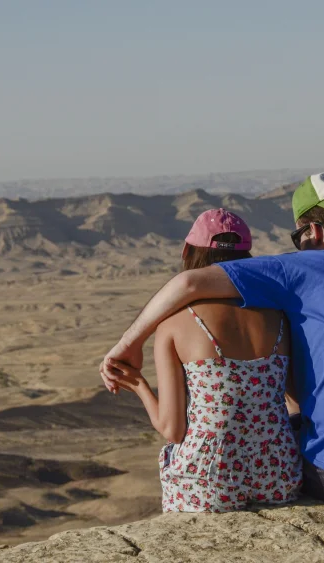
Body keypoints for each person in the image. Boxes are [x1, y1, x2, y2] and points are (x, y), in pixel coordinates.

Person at [102, 173, 324, 504]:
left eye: (298, 237)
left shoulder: (300, 268)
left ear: (313, 232)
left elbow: (188, 284)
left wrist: (127, 346)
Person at [102, 208, 302, 512]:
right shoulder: (280, 318)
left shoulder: (174, 324)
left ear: (188, 253)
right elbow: (293, 401)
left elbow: (173, 429)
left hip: (208, 481)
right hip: (279, 473)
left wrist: (140, 386)